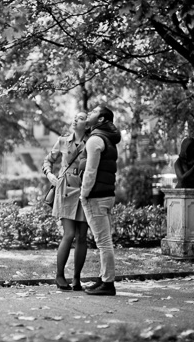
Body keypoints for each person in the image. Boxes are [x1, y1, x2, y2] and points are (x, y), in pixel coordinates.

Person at [42, 112, 89, 291]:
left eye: (82, 118)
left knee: (82, 237)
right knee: (69, 234)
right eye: (75, 117)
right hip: (65, 189)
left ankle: (77, 278)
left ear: (87, 124)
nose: (76, 119)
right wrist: (50, 175)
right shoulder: (62, 141)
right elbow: (48, 161)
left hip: (84, 189)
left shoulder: (91, 141)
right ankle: (60, 275)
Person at [79, 105, 121, 296]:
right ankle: (104, 278)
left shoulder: (95, 139)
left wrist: (84, 193)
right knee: (105, 241)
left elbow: (91, 170)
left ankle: (108, 284)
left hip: (95, 196)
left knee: (103, 242)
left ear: (102, 119)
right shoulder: (107, 139)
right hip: (107, 195)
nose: (89, 113)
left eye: (94, 112)